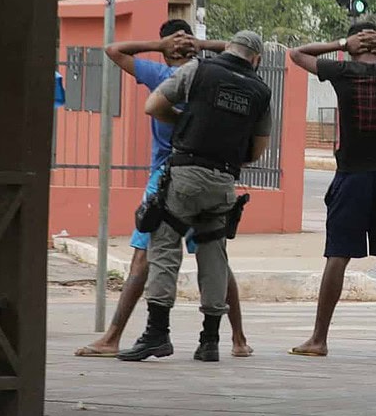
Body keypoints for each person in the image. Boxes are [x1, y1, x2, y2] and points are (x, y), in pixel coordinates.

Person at [78, 20, 254, 359]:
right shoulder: (211, 79)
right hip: (213, 176)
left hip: (168, 176)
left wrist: (161, 46)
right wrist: (200, 45)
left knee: (144, 257)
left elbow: (114, 50)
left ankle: (114, 337)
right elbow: (235, 48)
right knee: (216, 257)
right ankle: (237, 338)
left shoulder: (163, 76)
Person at [286, 22, 376, 358]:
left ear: (352, 47)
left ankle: (319, 339)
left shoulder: (343, 70)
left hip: (351, 176)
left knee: (337, 255)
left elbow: (297, 54)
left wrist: (342, 42)